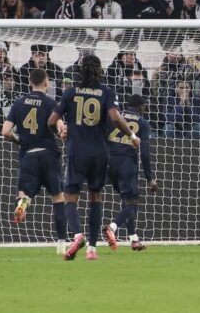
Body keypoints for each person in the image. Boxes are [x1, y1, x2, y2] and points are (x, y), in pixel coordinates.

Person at [48, 55, 140, 261]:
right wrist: (132, 136)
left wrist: (61, 132)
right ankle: (91, 248)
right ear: (99, 70)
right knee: (95, 197)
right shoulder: (106, 92)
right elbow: (116, 117)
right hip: (99, 153)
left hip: (76, 151)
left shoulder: (71, 92)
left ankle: (77, 235)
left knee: (70, 197)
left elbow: (52, 120)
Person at [1, 69, 69, 254]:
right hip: (48, 154)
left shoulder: (19, 103)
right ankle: (62, 245)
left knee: (25, 193)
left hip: (29, 155)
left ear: (30, 83)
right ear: (46, 83)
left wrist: (20, 141)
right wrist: (63, 133)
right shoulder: (50, 103)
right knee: (58, 197)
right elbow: (62, 128)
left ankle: (23, 203)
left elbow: (5, 131)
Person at [103, 94, 155, 252]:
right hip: (126, 164)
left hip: (109, 164)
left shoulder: (116, 116)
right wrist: (150, 179)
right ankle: (112, 227)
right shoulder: (143, 122)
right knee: (133, 204)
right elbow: (144, 152)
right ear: (141, 107)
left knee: (126, 200)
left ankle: (134, 240)